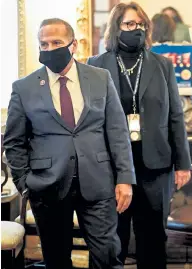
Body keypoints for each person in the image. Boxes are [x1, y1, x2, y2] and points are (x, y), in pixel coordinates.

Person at [3, 18, 135, 269]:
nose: (50, 49)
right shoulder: (24, 87)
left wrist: (125, 178)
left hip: (97, 183)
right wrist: (25, 184)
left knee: (107, 254)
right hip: (47, 186)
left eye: (57, 42)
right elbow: (14, 142)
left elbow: (117, 132)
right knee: (56, 259)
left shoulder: (100, 78)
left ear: (73, 45)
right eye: (44, 44)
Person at [87, 2, 192, 269]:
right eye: (129, 24)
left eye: (140, 24)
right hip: (112, 165)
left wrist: (183, 163)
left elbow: (175, 116)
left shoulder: (162, 65)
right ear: (116, 27)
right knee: (114, 237)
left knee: (154, 237)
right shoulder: (96, 66)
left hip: (155, 164)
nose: (136, 29)